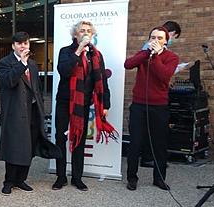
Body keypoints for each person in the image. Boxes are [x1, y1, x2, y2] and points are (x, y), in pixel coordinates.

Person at [53, 21, 116, 191]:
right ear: (75, 35)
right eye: (82, 31)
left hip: (84, 103)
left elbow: (102, 80)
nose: (86, 33)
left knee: (79, 137)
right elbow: (64, 71)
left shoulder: (96, 55)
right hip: (65, 101)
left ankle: (77, 177)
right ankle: (60, 177)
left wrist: (105, 104)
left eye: (89, 31)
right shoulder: (66, 51)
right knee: (61, 137)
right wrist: (78, 50)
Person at [0, 32, 61, 195]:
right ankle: (9, 181)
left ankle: (21, 179)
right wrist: (22, 63)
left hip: (33, 110)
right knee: (14, 146)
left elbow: (35, 87)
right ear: (13, 46)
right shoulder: (5, 63)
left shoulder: (33, 64)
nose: (23, 46)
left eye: (25, 43)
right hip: (15, 111)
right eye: (19, 44)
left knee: (29, 146)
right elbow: (9, 81)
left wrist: (40, 106)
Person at [123, 26, 178, 191]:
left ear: (166, 41)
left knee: (159, 144)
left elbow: (164, 76)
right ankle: (132, 178)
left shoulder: (171, 57)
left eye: (159, 38)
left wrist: (157, 56)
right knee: (135, 143)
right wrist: (146, 53)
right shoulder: (144, 54)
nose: (155, 40)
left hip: (159, 107)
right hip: (139, 105)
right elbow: (128, 64)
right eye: (153, 37)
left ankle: (159, 178)